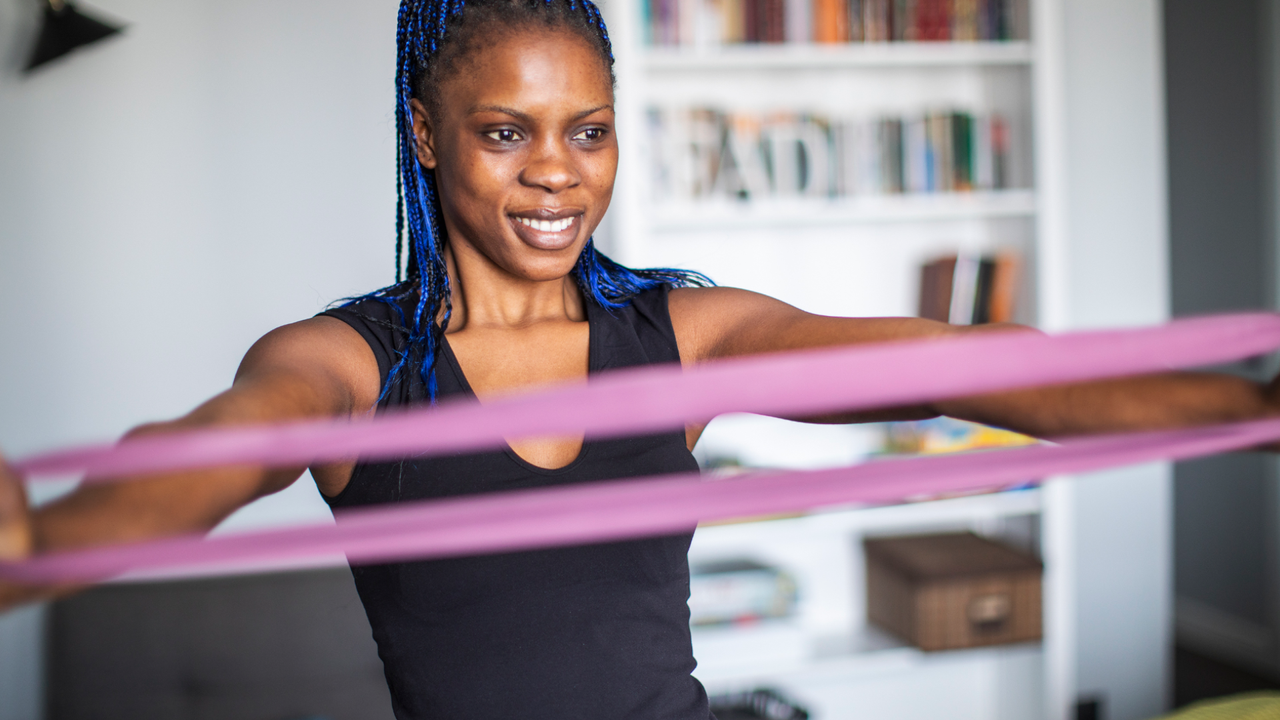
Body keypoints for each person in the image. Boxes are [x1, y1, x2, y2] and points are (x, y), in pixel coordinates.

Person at [0, 0, 1278, 717]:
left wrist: (1239, 403)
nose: (557, 172)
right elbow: (217, 451)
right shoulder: (346, 363)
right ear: (426, 134)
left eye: (588, 129)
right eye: (505, 131)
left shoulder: (679, 337)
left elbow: (955, 363)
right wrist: (51, 545)